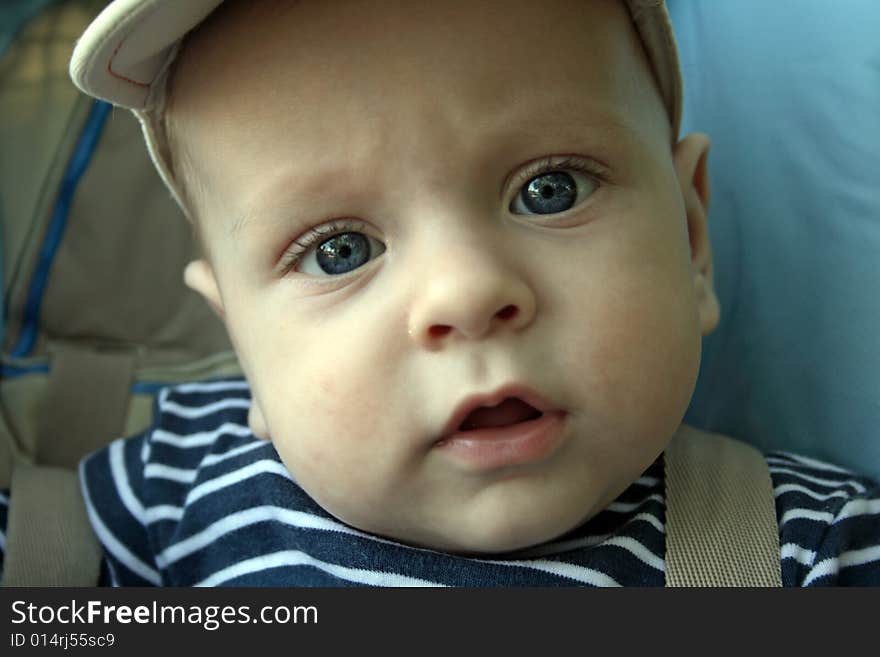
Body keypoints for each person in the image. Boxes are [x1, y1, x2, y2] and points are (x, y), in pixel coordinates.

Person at [3, 0, 878, 586]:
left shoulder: (809, 549)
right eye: (339, 249)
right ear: (245, 349)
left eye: (551, 190)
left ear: (691, 240)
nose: (463, 292)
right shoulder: (166, 490)